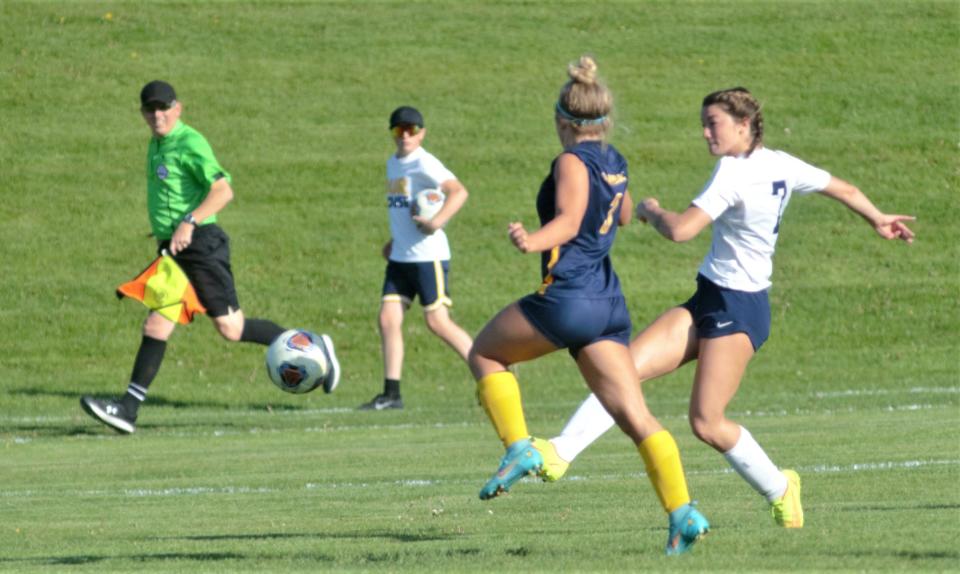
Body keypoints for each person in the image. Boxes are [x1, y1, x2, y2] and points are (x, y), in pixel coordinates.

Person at [532, 87, 916, 529]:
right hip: (710, 297)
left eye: (712, 123)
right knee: (624, 370)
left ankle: (781, 488)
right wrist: (877, 217)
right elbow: (842, 187)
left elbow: (681, 231)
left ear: (743, 126)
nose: (704, 132)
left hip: (741, 308)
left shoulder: (731, 173)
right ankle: (561, 452)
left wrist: (652, 211)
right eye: (704, 122)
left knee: (707, 422)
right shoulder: (782, 163)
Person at [468, 56, 709, 556]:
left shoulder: (570, 161)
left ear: (561, 121)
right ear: (604, 121)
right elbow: (619, 215)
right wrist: (636, 207)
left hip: (569, 296)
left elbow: (571, 219)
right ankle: (682, 512)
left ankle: (520, 447)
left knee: (487, 354)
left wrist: (534, 241)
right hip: (607, 305)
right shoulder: (614, 159)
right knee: (636, 416)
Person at [80, 80, 340, 434]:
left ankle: (313, 346)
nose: (157, 115)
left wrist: (188, 222)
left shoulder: (189, 142)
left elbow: (223, 190)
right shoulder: (157, 144)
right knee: (156, 324)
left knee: (231, 329)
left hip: (200, 245)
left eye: (163, 108)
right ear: (142, 113)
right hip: (175, 250)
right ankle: (127, 409)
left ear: (178, 108)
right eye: (150, 109)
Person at [358, 106, 473, 411]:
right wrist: (393, 242)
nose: (405, 135)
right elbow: (402, 209)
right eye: (398, 130)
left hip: (428, 257)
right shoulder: (393, 165)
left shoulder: (425, 162)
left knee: (438, 322)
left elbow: (459, 192)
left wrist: (436, 223)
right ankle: (391, 394)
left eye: (411, 129)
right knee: (387, 319)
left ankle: (491, 371)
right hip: (401, 257)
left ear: (422, 133)